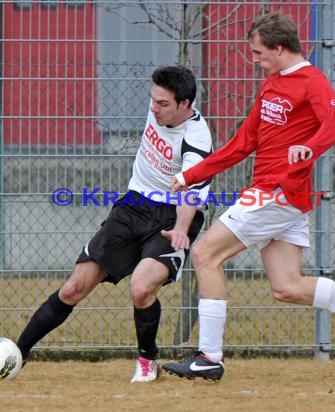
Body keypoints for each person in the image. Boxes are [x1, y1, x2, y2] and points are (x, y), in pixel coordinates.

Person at [162, 11, 335, 381]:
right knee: (287, 287)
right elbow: (243, 142)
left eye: (258, 52)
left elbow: (333, 125)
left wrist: (308, 149)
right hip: (280, 197)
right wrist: (191, 174)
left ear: (279, 49)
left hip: (276, 193)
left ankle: (209, 357)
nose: (255, 58)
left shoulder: (312, 81)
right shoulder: (271, 83)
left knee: (204, 254)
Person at [14, 66, 213, 383]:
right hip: (132, 206)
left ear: (185, 104)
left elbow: (190, 191)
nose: (154, 108)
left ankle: (148, 361)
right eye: (153, 100)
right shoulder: (159, 110)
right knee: (73, 288)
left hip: (172, 218)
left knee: (142, 287)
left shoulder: (197, 140)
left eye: (163, 103)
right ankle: (16, 354)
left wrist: (179, 229)